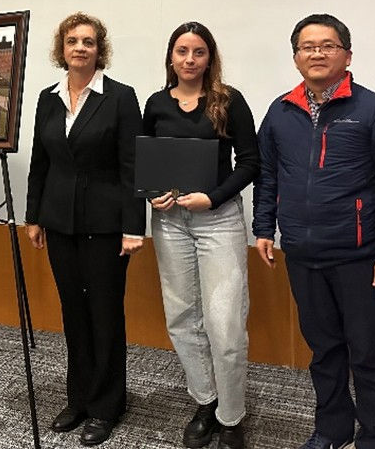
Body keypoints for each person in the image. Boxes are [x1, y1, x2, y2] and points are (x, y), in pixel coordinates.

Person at [252, 14, 375, 449]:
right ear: (295, 58)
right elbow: (269, 174)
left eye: (327, 45)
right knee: (324, 352)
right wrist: (263, 227)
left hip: (360, 257)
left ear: (347, 54)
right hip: (303, 256)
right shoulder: (279, 111)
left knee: (368, 354)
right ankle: (332, 430)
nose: (317, 53)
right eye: (308, 47)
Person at [25, 12, 145, 446]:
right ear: (62, 49)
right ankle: (78, 399)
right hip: (59, 224)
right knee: (72, 313)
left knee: (105, 315)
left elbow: (133, 168)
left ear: (100, 50)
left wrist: (134, 226)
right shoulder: (48, 98)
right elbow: (41, 161)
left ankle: (107, 405)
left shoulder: (120, 98)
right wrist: (33, 216)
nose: (80, 47)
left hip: (107, 225)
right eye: (73, 41)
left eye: (89, 42)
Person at [143, 22, 258, 449]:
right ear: (170, 57)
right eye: (182, 51)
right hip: (170, 223)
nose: (190, 60)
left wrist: (211, 198)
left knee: (225, 322)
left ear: (210, 58)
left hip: (219, 220)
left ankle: (231, 416)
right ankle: (205, 401)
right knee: (182, 317)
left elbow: (250, 162)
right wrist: (154, 193)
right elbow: (148, 161)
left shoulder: (229, 101)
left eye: (199, 52)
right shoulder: (155, 104)